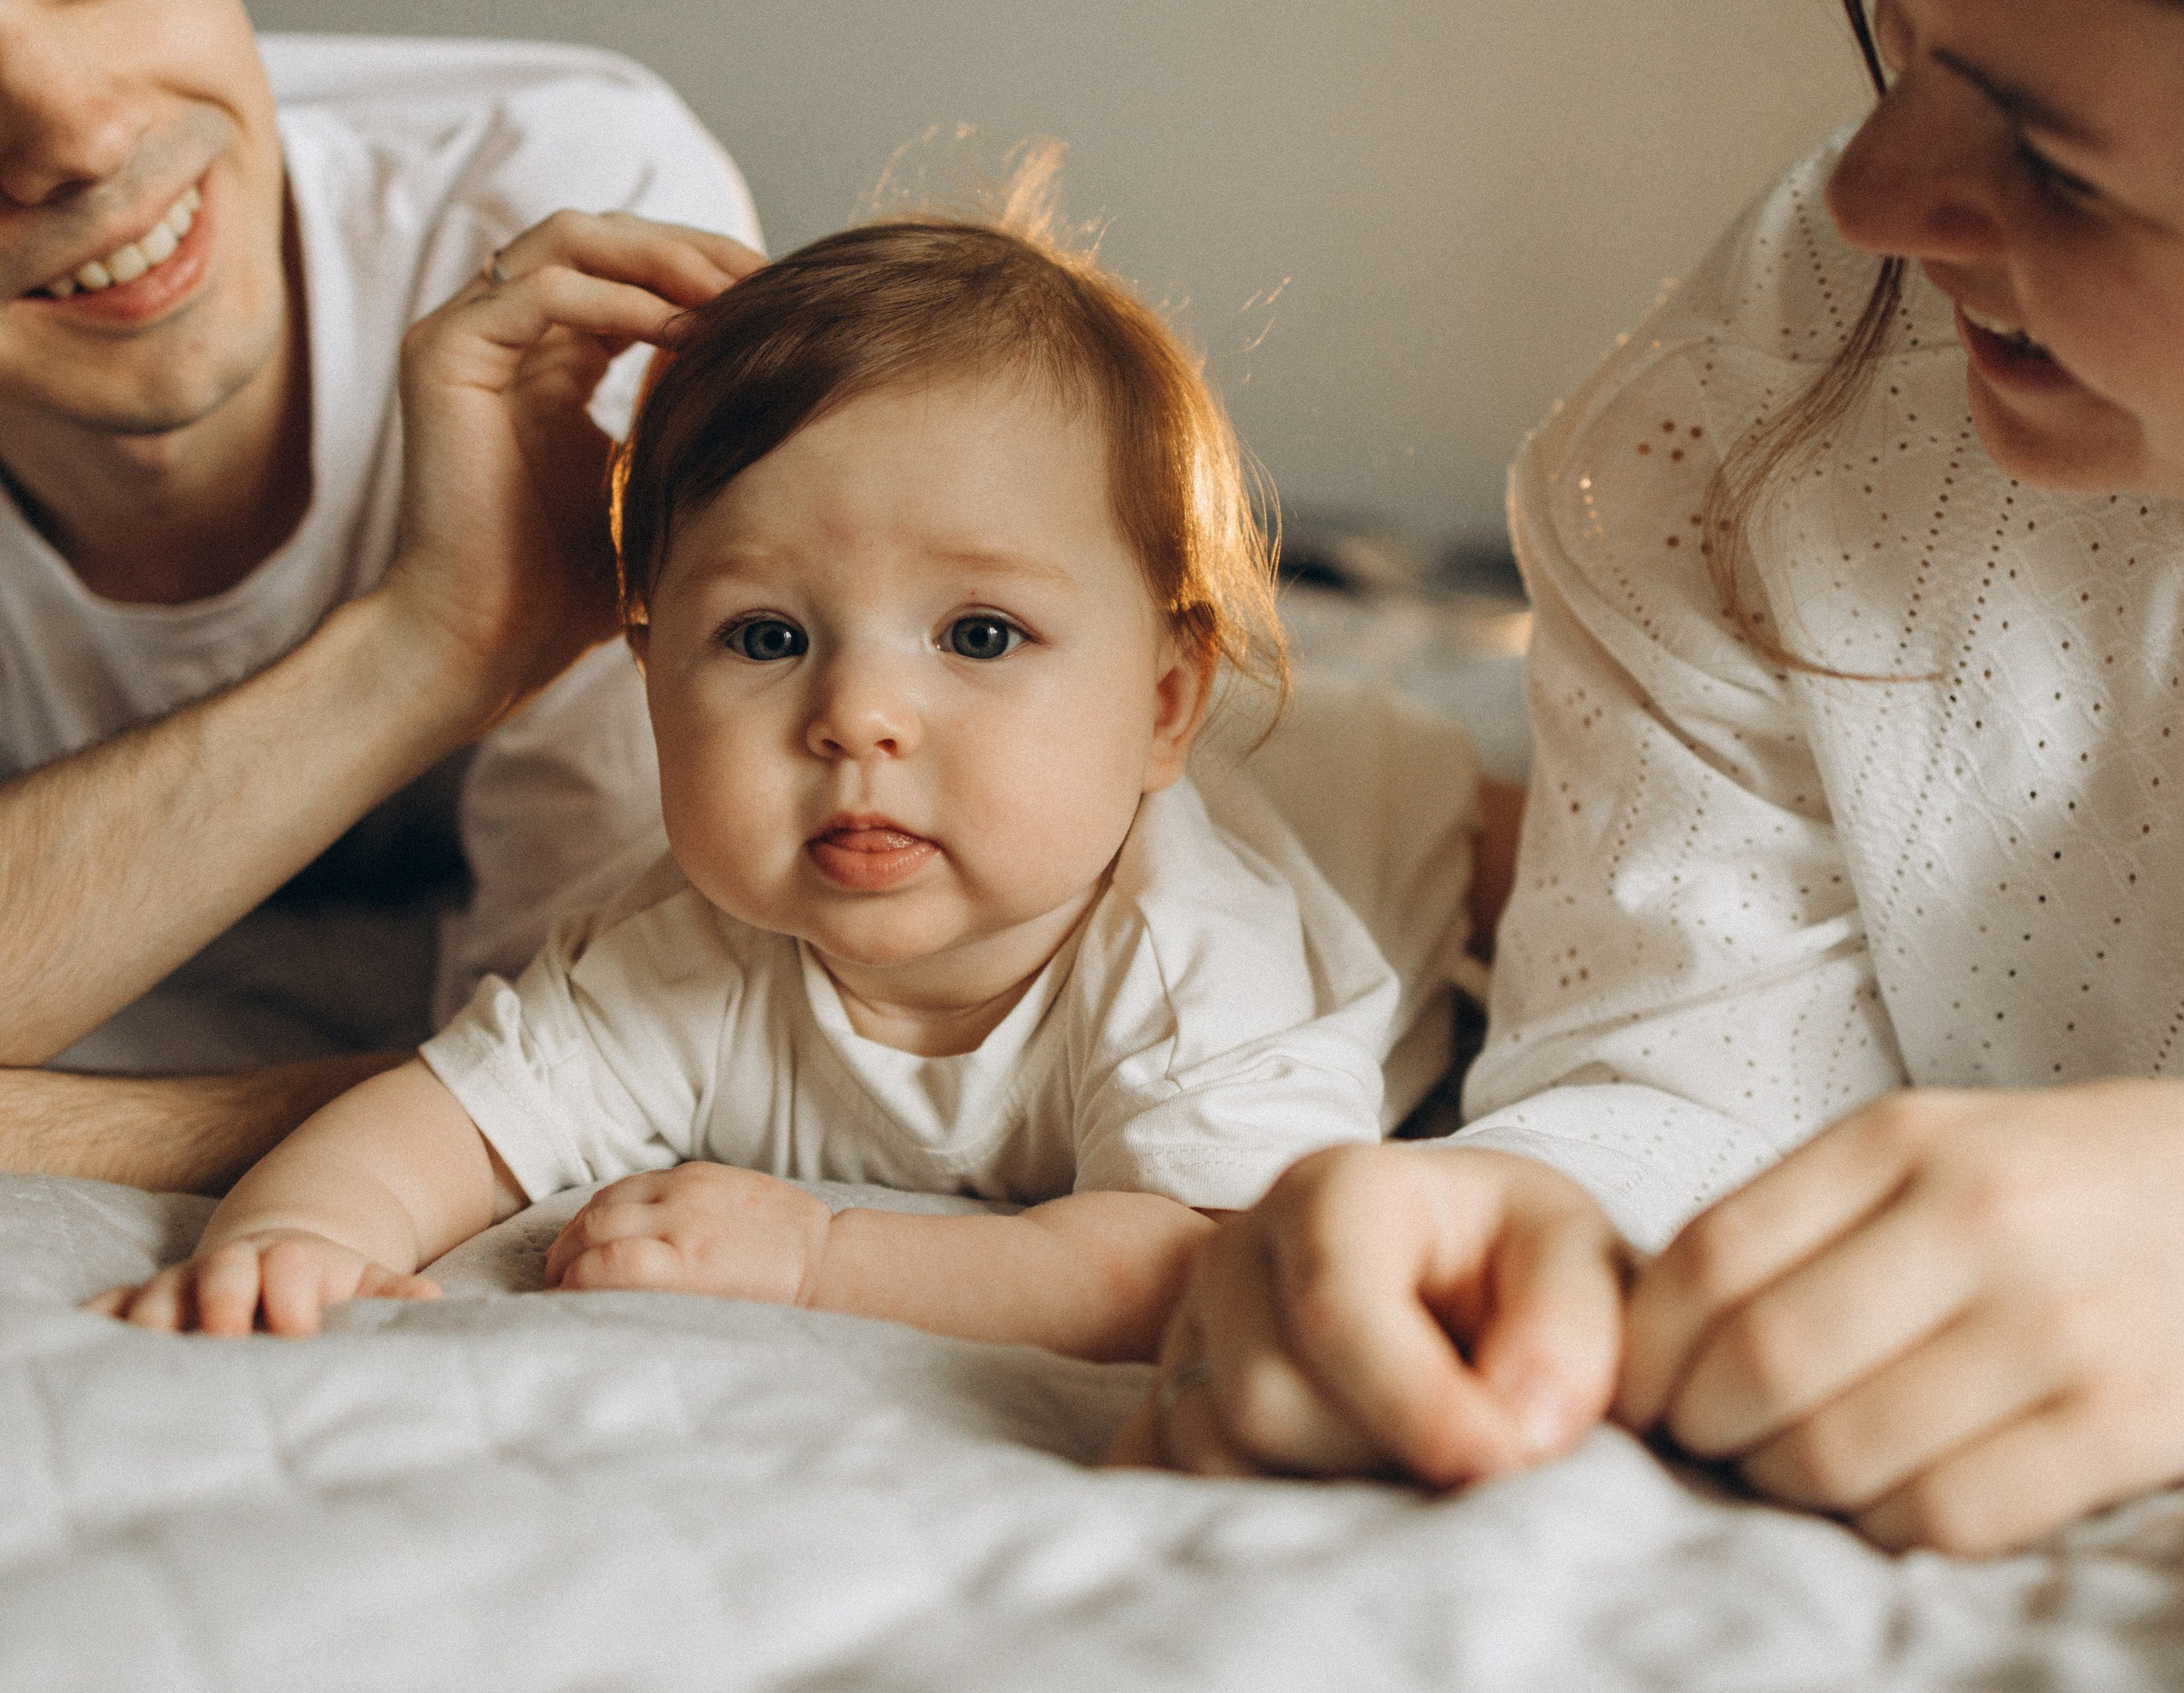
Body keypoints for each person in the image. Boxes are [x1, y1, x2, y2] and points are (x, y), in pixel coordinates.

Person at [1122, 0, 2184, 1559]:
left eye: (2059, 163)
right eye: (1892, 13)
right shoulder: (1782, 392)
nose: (1881, 197)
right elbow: (1691, 1072)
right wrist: (1510, 1243)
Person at [94, 200, 1500, 1350]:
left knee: (1547, 865)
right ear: (647, 677)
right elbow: (436, 1124)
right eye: (767, 636)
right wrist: (298, 1239)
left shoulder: (1193, 961)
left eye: (980, 633)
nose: (858, 717)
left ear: (1163, 704)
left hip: (1388, 814)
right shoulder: (682, 955)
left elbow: (1194, 1262)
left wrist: (823, 1258)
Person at [0, 0, 762, 1189]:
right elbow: (557, 1089)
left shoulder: (562, 219)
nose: (79, 133)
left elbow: (655, 1040)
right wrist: (432, 646)